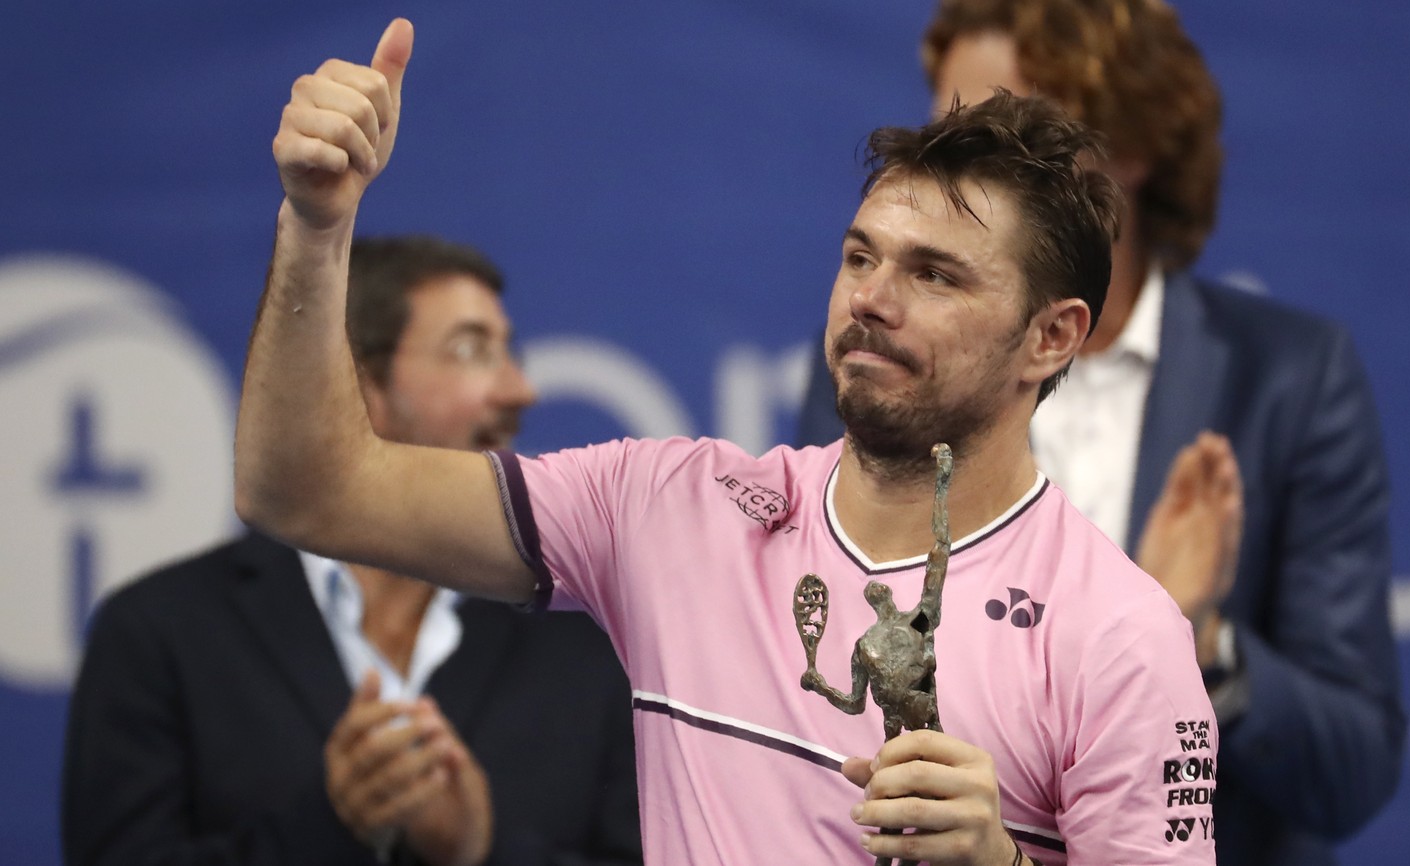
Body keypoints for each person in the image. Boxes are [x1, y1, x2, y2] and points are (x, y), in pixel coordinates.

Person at [235, 19, 1217, 865]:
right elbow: (307, 491)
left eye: (936, 274)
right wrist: (318, 226)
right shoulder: (669, 509)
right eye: (860, 255)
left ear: (1053, 337)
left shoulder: (1125, 637)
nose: (870, 299)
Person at [795, 2, 1405, 863]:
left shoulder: (1290, 381)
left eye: (1012, 129)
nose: (956, 173)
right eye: (950, 130)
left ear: (1137, 146)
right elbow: (807, 693)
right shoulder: (879, 359)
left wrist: (1196, 642)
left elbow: (1353, 770)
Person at [62, 235, 643, 866]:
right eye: (472, 350)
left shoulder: (593, 644)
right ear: (359, 387)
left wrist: (481, 851)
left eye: (511, 352)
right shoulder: (160, 632)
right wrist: (329, 827)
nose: (519, 390)